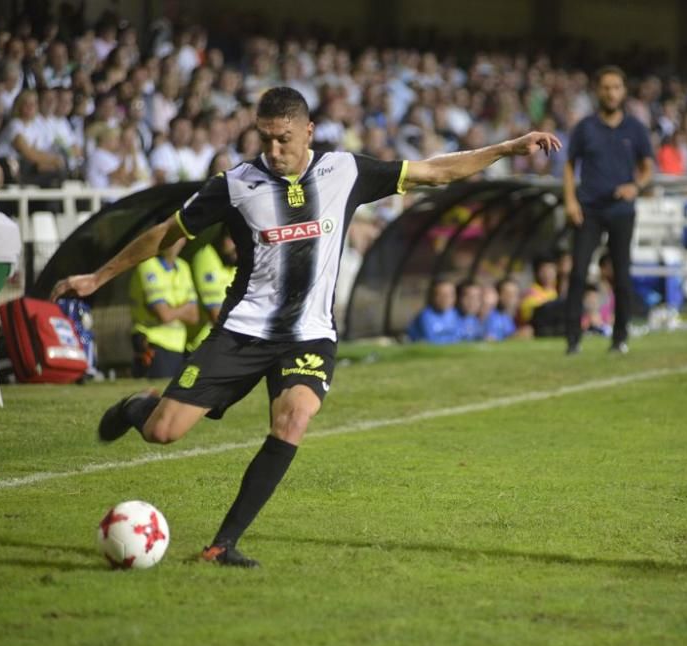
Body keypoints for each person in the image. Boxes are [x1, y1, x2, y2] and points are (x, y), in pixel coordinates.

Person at [52, 86, 560, 567]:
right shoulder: (235, 185)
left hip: (309, 334)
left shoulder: (344, 171)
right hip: (242, 331)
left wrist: (509, 147)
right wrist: (97, 277)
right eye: (265, 138)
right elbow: (166, 233)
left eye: (284, 138)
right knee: (164, 433)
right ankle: (141, 407)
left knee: (293, 418)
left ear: (309, 131)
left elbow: (436, 172)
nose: (274, 149)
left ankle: (222, 545)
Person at [562, 66, 654, 355]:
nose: (611, 92)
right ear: (597, 91)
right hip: (588, 208)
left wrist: (635, 187)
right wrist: (570, 200)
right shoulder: (585, 127)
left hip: (620, 210)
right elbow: (569, 164)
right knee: (578, 273)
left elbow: (648, 167)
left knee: (621, 274)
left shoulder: (635, 128)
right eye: (606, 87)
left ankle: (619, 337)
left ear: (623, 91)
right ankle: (573, 339)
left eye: (616, 87)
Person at [129, 237, 199, 378]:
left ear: (184, 240)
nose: (170, 241)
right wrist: (184, 307)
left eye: (176, 236)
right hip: (153, 342)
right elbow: (164, 315)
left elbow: (194, 316)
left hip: (178, 345)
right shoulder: (148, 266)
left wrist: (173, 311)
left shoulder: (183, 267)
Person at [188, 230, 236, 351]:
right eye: (232, 239)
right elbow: (216, 315)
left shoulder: (233, 263)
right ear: (221, 238)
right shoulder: (206, 256)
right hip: (203, 347)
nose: (236, 245)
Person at [407, 279, 460, 344]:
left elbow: (459, 337)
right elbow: (431, 341)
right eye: (441, 295)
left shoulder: (454, 314)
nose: (446, 299)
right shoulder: (425, 316)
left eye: (450, 295)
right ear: (432, 296)